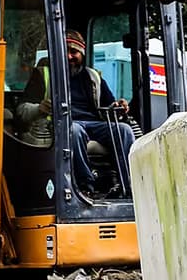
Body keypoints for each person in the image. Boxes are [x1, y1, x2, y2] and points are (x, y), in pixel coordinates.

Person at [17, 30, 135, 200]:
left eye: (74, 52)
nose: (69, 56)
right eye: (65, 51)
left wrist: (118, 107)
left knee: (124, 130)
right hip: (61, 125)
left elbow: (108, 106)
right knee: (74, 129)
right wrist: (39, 109)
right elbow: (21, 111)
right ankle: (86, 186)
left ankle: (128, 186)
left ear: (82, 53)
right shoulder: (42, 75)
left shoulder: (93, 77)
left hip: (93, 125)